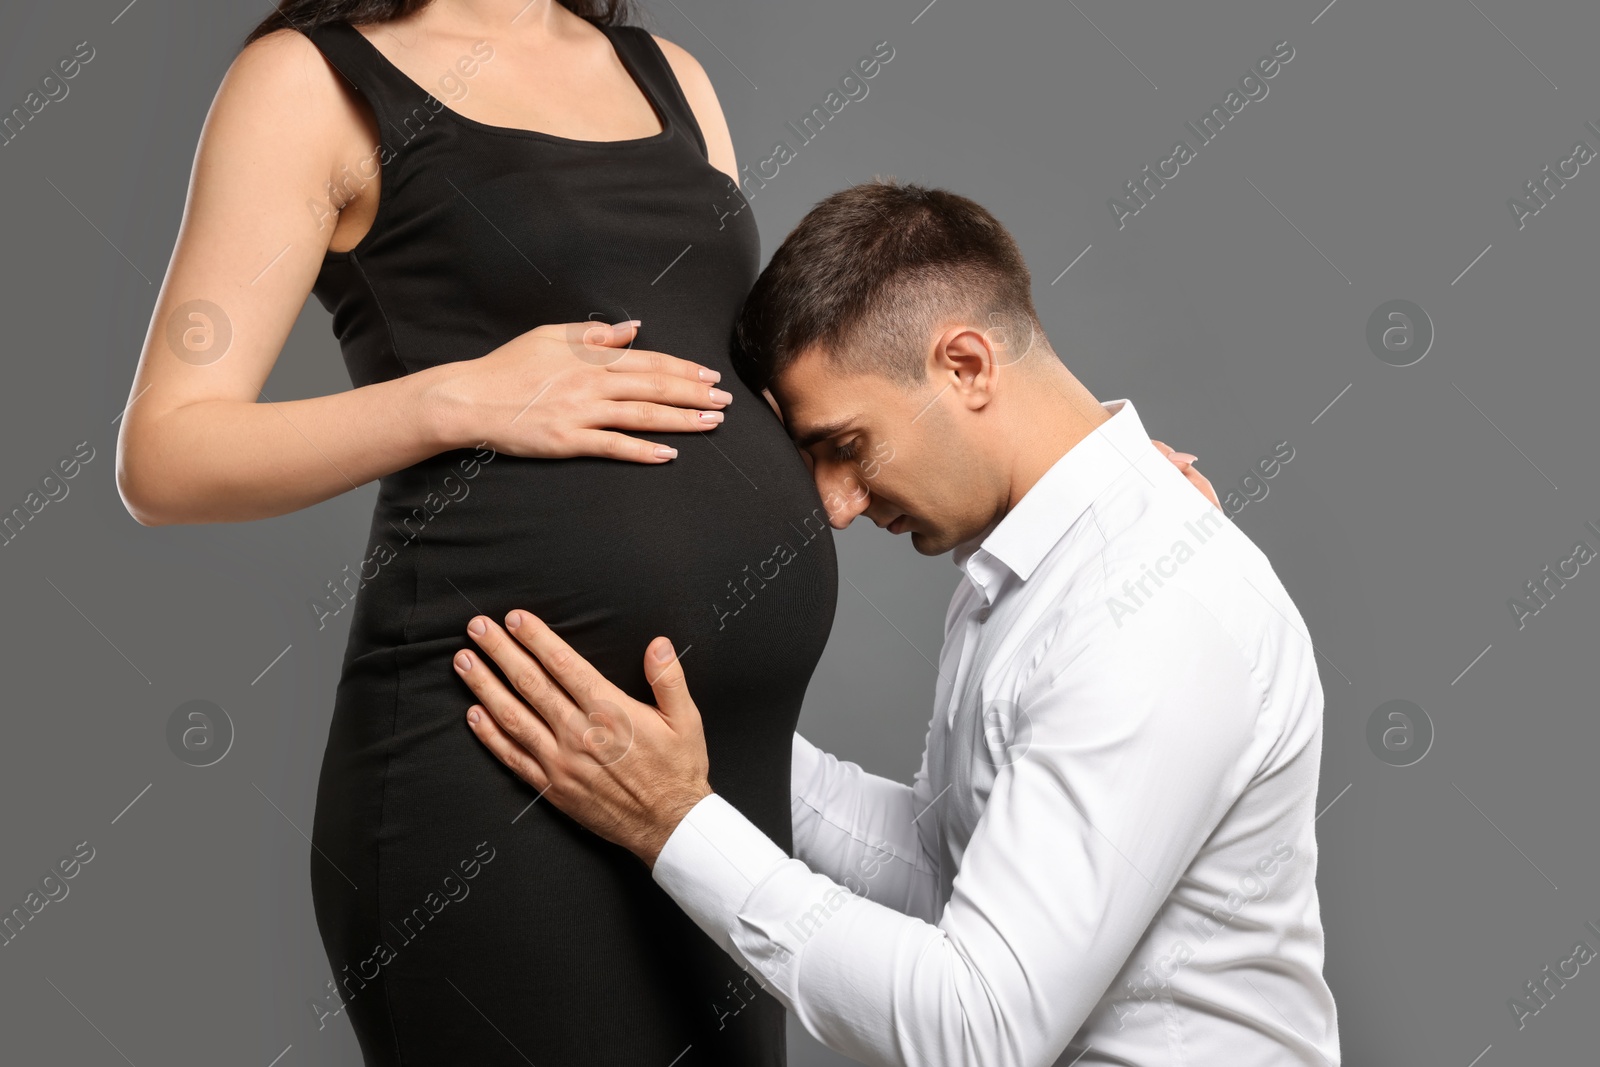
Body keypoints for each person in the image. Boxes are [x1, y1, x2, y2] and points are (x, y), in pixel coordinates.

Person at [113, 0, 1207, 1059]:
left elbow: (734, 385)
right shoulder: (314, 80)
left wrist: (1075, 471)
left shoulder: (665, 76)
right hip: (509, 756)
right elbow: (165, 454)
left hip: (703, 777)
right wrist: (464, 398)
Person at [450, 181, 1342, 1066]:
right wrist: (695, 740)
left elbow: (977, 1027)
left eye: (847, 445)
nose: (836, 506)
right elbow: (944, 861)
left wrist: (673, 821)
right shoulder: (1033, 567)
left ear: (965, 366)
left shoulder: (1149, 612)